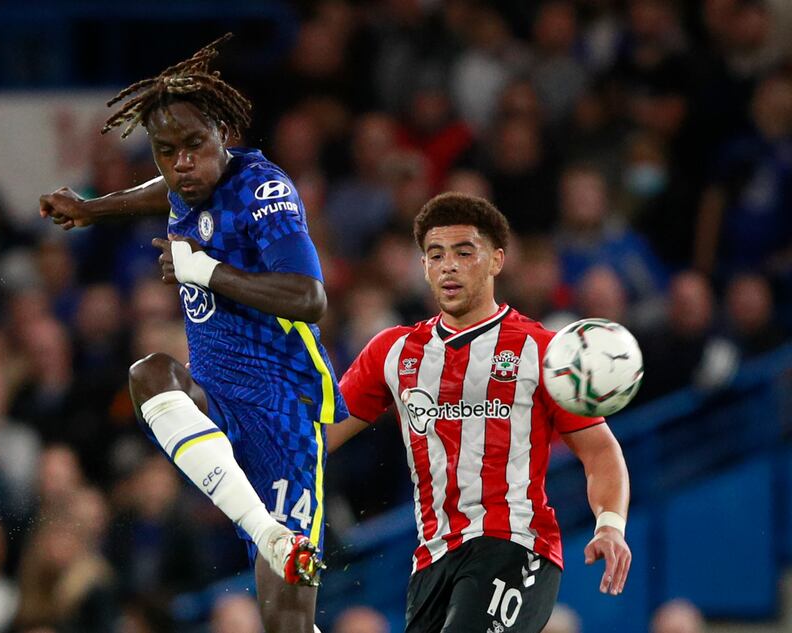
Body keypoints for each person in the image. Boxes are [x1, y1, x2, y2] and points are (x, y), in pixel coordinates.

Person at [38, 34, 348, 632]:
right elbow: (169, 194)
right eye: (166, 150)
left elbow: (310, 299)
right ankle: (266, 531)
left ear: (223, 136)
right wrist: (94, 207)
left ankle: (273, 541)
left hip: (281, 412)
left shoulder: (264, 192)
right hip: (219, 395)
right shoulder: (186, 183)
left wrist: (204, 271)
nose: (182, 163)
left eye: (194, 146)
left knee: (286, 621)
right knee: (150, 376)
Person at [330, 193, 631, 633]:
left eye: (464, 252)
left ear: (496, 261)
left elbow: (601, 451)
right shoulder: (391, 353)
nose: (448, 265)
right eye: (435, 255)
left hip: (515, 547)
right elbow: (319, 437)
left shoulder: (541, 351)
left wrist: (609, 524)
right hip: (432, 561)